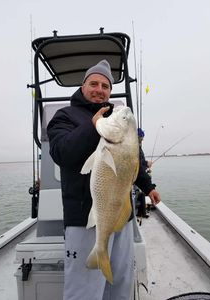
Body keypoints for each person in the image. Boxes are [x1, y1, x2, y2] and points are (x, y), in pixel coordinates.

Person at [47, 60, 161, 300]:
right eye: (94, 83)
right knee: (84, 290)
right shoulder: (64, 117)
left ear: (110, 91)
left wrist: (148, 187)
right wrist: (93, 126)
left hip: (121, 215)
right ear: (83, 86)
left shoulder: (117, 117)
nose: (99, 89)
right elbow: (62, 153)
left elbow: (132, 159)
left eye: (105, 86)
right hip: (84, 220)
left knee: (120, 282)